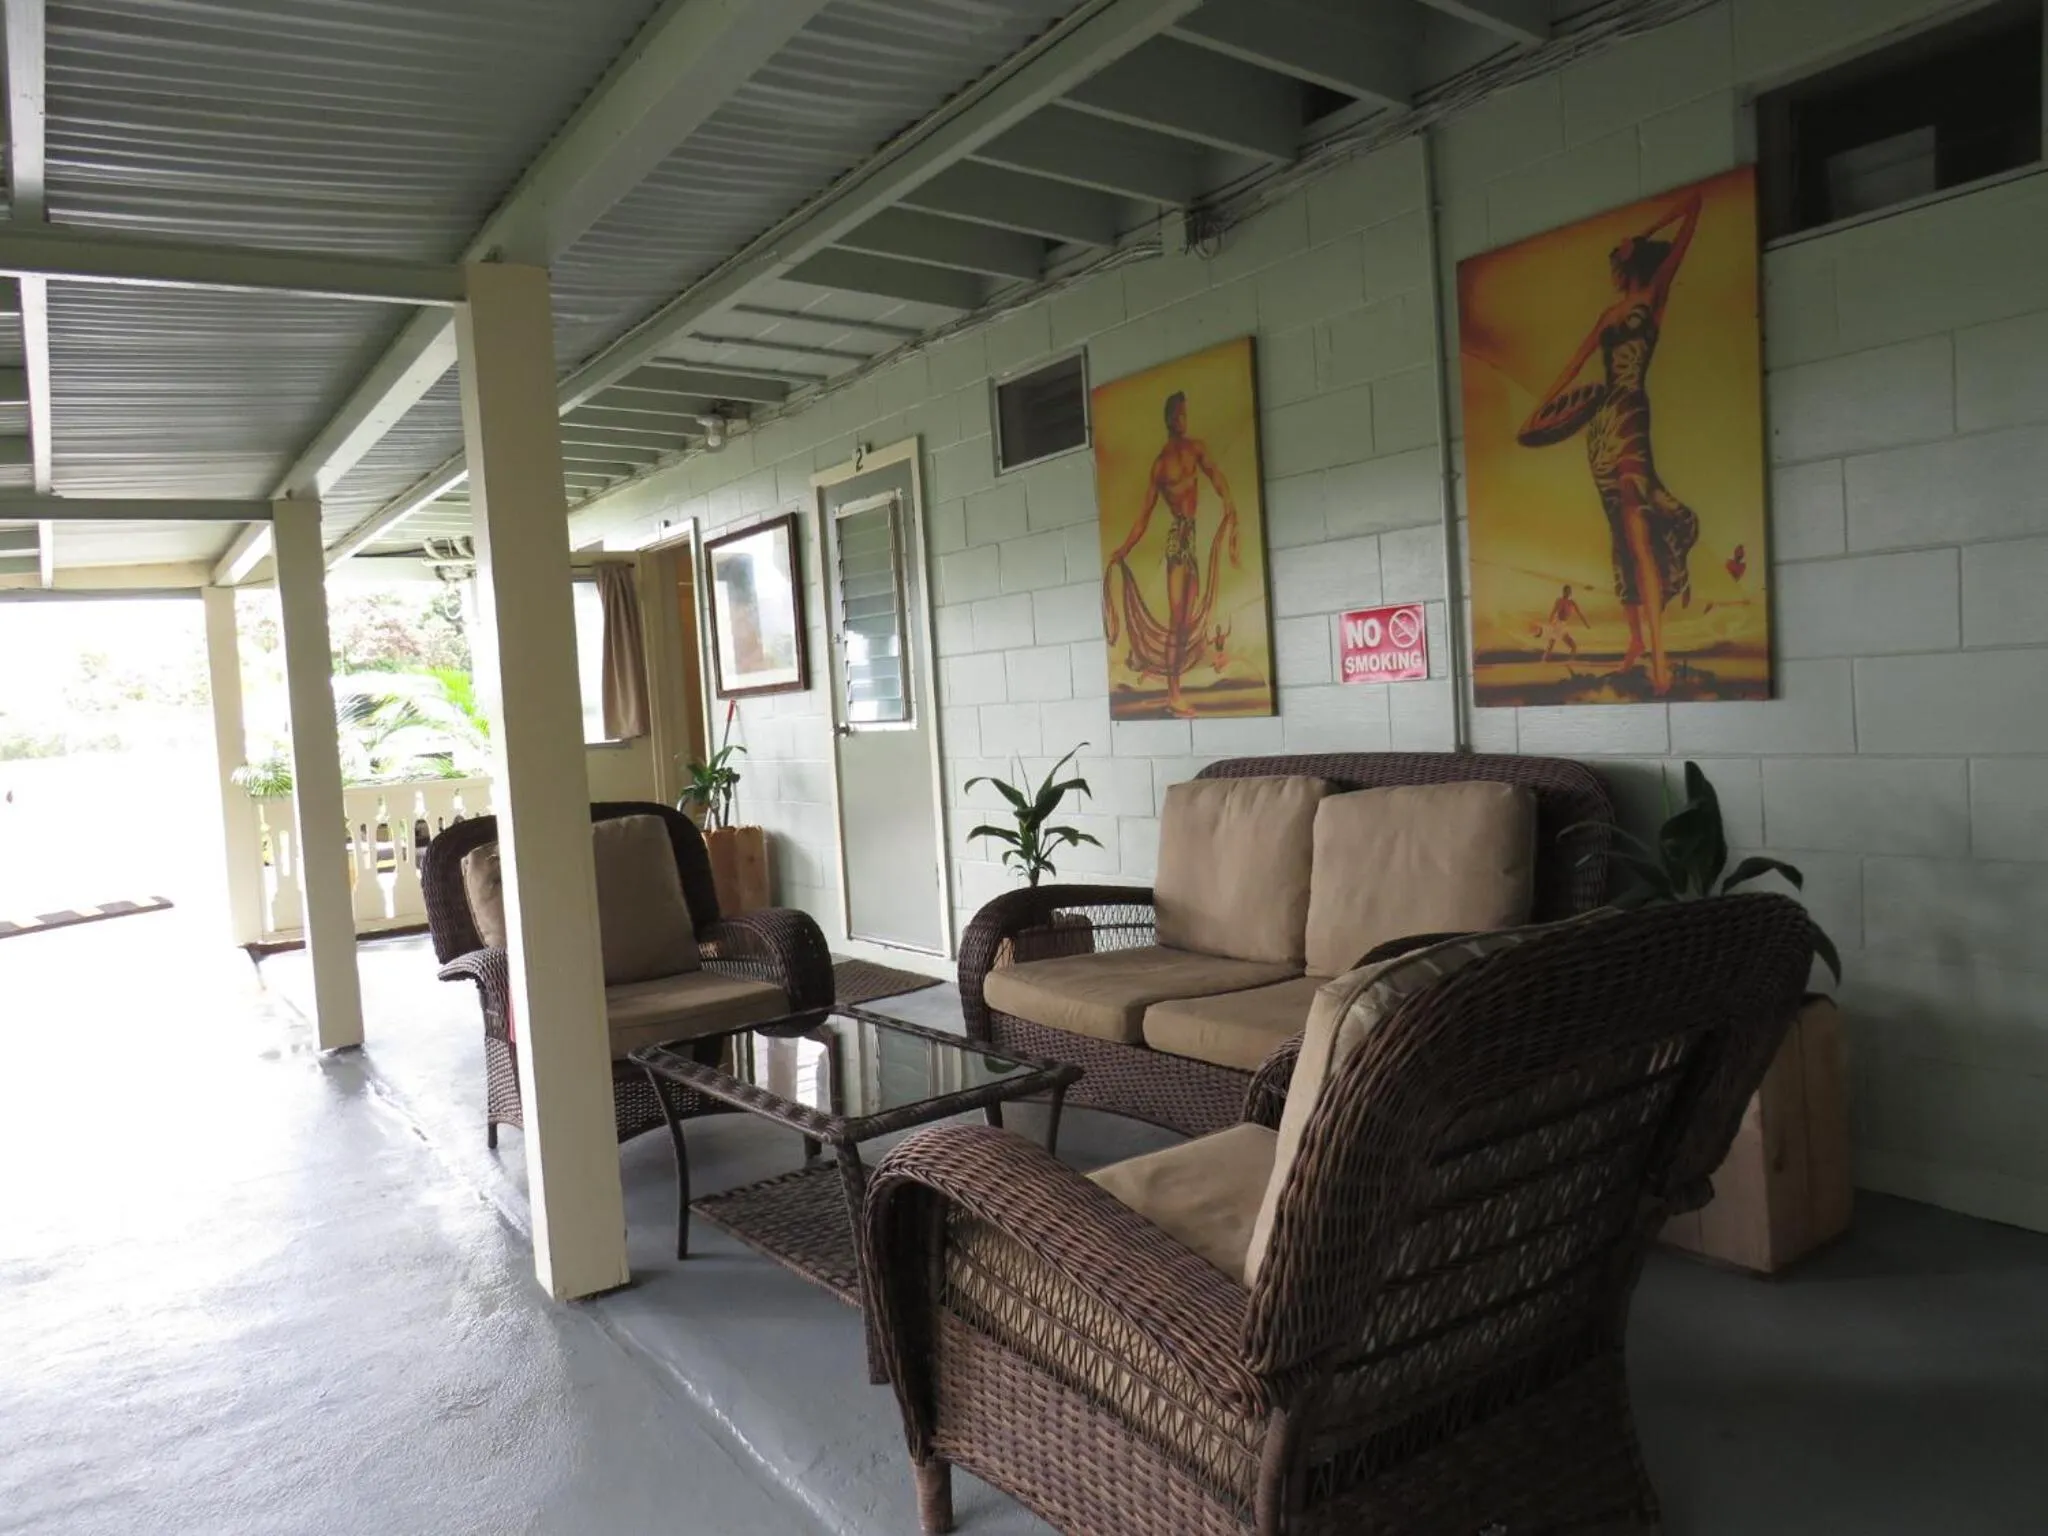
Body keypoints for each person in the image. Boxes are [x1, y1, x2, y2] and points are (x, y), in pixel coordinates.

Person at [1518, 187, 1705, 695]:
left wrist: (1644, 231)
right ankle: (1636, 643)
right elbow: (1575, 365)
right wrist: (1539, 412)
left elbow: (1694, 209)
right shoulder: (1608, 315)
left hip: (1630, 413)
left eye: (1619, 258)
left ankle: (1663, 656)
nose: (1615, 268)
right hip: (1598, 425)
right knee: (1619, 540)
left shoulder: (1654, 298)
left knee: (1638, 528)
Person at [1101, 390, 1241, 714]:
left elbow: (1216, 476)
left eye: (1185, 414)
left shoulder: (1196, 449)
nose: (1183, 420)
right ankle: (1173, 694)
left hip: (1191, 541)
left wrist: (1229, 502)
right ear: (1168, 419)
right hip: (1177, 541)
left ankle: (1175, 687)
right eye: (1178, 414)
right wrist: (1123, 549)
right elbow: (1143, 518)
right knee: (1178, 621)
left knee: (1187, 619)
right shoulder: (1161, 466)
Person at [1539, 584, 1590, 661]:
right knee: (1551, 645)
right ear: (1563, 592)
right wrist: (1550, 623)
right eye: (1567, 591)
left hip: (1562, 625)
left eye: (1569, 591)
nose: (1568, 593)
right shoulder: (1559, 600)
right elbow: (1553, 612)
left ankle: (1569, 661)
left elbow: (1580, 614)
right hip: (1557, 624)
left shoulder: (1572, 602)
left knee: (1573, 646)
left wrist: (1586, 624)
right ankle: (1544, 661)